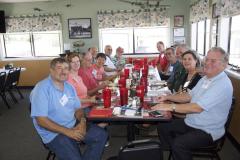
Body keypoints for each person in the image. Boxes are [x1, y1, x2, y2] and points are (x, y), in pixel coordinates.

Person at [152, 47, 233, 160]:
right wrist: (167, 97)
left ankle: (177, 150)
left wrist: (169, 106)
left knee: (179, 144)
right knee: (163, 125)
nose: (207, 63)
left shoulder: (222, 84)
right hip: (192, 122)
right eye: (207, 59)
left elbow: (197, 108)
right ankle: (173, 151)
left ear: (224, 65)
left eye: (213, 61)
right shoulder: (206, 79)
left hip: (207, 130)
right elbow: (188, 95)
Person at [30, 58, 108, 160]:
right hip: (54, 133)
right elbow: (41, 120)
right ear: (51, 70)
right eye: (59, 68)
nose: (63, 71)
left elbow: (77, 108)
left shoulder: (69, 87)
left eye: (66, 68)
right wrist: (68, 132)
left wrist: (82, 123)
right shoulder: (41, 89)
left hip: (72, 124)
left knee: (101, 135)